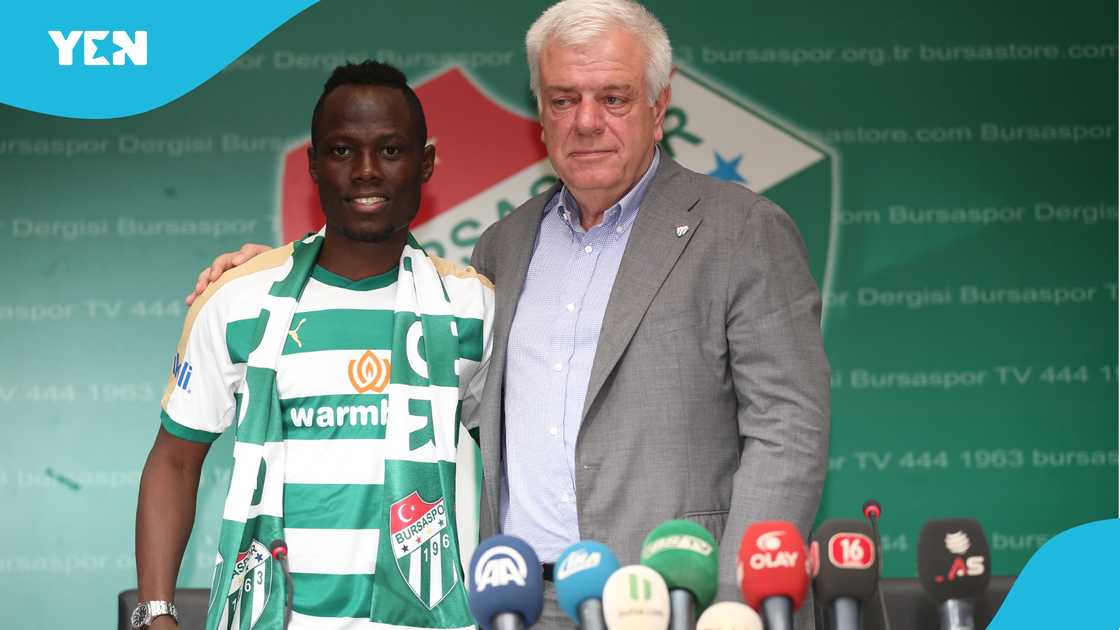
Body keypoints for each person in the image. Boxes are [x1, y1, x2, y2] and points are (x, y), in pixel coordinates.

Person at [189, 1, 829, 627]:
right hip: (518, 602)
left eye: (613, 98)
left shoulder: (742, 230)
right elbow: (419, 357)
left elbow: (789, 429)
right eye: (563, 99)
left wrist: (732, 604)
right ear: (540, 117)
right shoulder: (503, 247)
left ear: (658, 107)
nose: (586, 121)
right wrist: (268, 274)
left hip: (677, 602)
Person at [136, 61, 493, 630]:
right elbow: (175, 462)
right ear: (313, 164)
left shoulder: (473, 306)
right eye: (343, 150)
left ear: (425, 163)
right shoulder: (239, 299)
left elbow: (517, 466)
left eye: (392, 151)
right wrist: (155, 615)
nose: (367, 171)